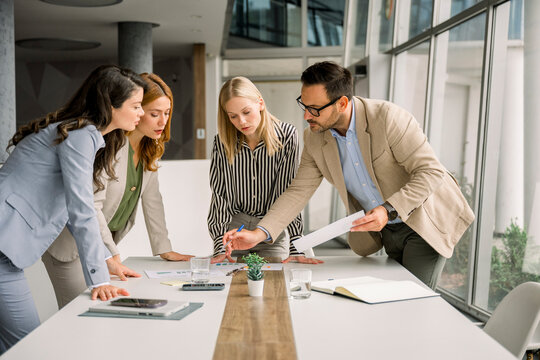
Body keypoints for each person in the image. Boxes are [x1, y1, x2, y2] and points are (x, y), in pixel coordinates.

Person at [224, 62, 475, 289]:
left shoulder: (388, 118)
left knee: (411, 299)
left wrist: (387, 210)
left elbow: (431, 172)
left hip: (422, 219)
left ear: (342, 103)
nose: (306, 116)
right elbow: (298, 191)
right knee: (393, 299)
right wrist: (259, 234)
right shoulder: (314, 137)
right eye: (303, 104)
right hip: (385, 230)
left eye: (314, 109)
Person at [0, 65, 146, 353]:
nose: (141, 113)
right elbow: (81, 209)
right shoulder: (81, 135)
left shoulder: (79, 132)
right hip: (2, 248)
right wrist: (100, 280)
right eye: (137, 106)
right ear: (111, 105)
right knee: (30, 347)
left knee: (12, 347)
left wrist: (107, 259)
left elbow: (71, 207)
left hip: (5, 248)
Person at [43, 73, 194, 309]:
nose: (162, 121)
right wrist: (110, 254)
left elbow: (153, 200)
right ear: (135, 108)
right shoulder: (107, 145)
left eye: (167, 113)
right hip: (71, 247)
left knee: (103, 310)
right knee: (78, 312)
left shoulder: (149, 148)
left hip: (104, 248)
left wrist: (164, 248)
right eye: (154, 114)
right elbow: (92, 205)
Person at [208, 76, 323, 264]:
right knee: (232, 287)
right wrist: (219, 246)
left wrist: (295, 246)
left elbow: (289, 192)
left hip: (271, 231)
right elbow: (221, 196)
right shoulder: (222, 143)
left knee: (273, 287)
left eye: (246, 112)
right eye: (233, 116)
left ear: (260, 103)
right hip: (234, 234)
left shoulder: (286, 135)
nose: (242, 121)